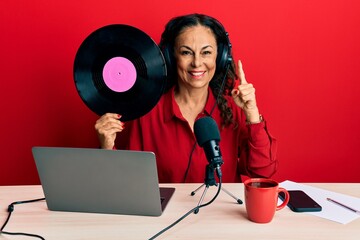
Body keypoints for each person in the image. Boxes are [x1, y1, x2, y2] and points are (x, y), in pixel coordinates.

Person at [95, 13, 278, 183]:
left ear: (220, 57)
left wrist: (253, 115)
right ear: (171, 57)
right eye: (186, 52)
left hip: (221, 215)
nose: (197, 63)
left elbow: (262, 172)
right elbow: (128, 181)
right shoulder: (149, 112)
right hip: (167, 217)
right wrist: (107, 148)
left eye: (206, 52)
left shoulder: (233, 107)